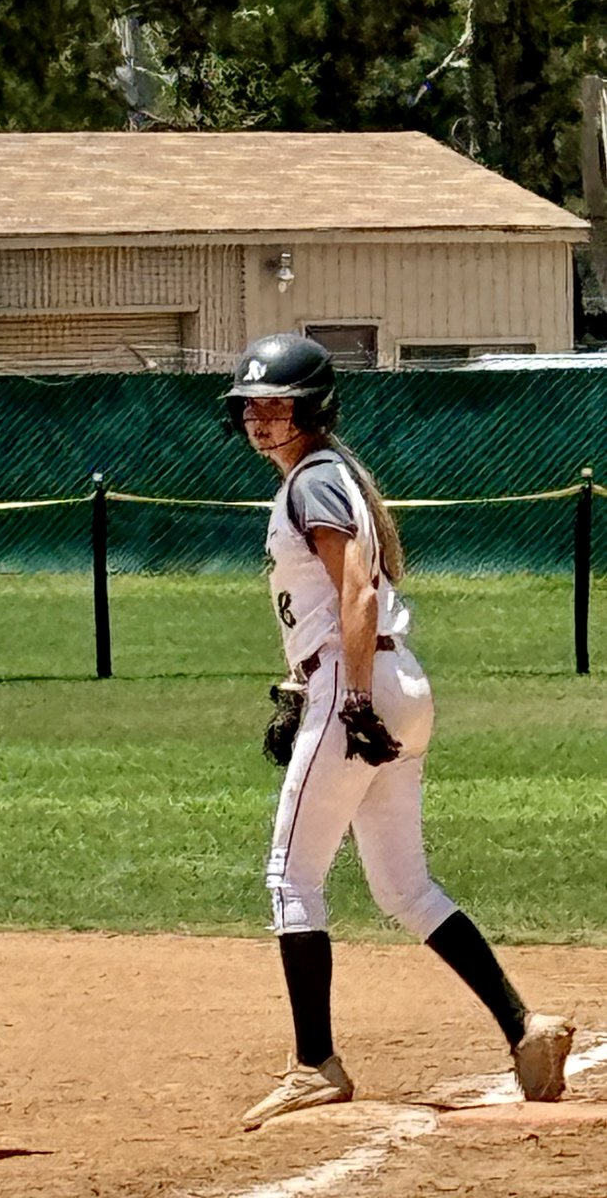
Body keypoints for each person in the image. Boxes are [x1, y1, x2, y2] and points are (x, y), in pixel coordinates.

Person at [225, 332, 574, 1130]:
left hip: (364, 684)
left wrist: (346, 699)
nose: (261, 418)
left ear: (311, 408)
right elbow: (332, 603)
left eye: (277, 404)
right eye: (252, 405)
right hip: (395, 680)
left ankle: (315, 1064)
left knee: (291, 878)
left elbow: (356, 592)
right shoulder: (334, 476)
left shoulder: (313, 480)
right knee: (403, 888)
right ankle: (525, 1029)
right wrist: (305, 683)